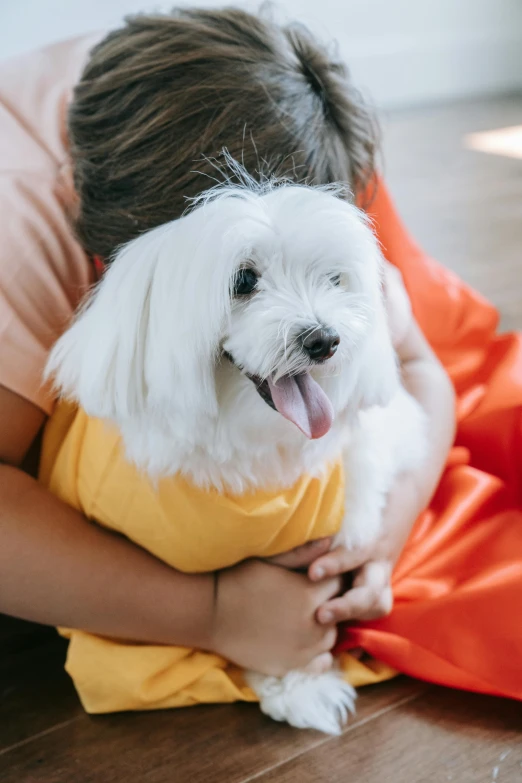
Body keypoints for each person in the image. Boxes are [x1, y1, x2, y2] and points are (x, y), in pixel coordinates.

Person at [1, 9, 519, 701]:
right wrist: (212, 612)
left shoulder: (296, 140)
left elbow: (421, 365)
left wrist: (380, 537)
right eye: (245, 279)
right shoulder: (21, 231)